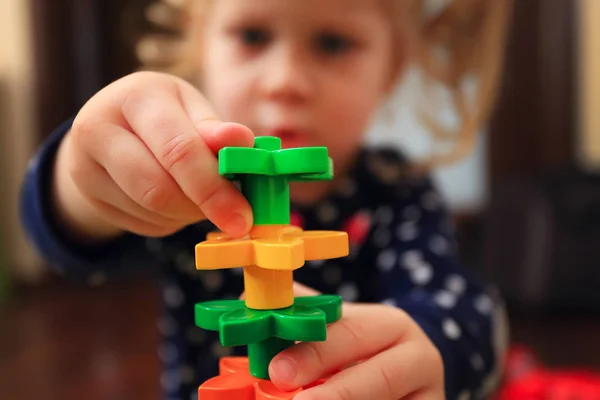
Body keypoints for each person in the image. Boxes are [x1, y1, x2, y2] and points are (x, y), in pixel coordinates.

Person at [20, 0, 513, 399]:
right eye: (252, 36)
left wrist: (430, 347)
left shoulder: (398, 191)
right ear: (200, 43)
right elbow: (70, 248)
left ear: (390, 70)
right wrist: (81, 178)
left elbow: (468, 314)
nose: (284, 82)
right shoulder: (189, 188)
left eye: (333, 43)